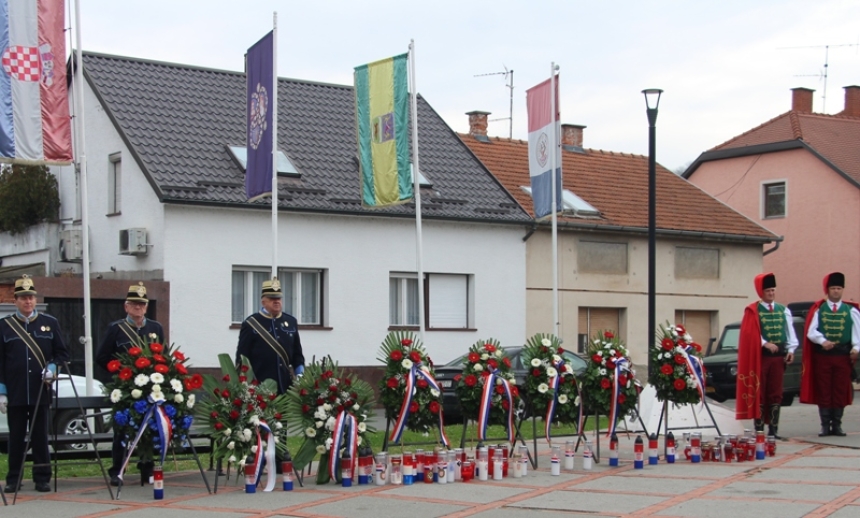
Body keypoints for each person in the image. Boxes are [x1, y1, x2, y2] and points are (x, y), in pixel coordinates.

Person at [0, 275, 70, 493]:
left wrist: (52, 369)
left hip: (41, 390)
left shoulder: (50, 324)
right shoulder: (5, 326)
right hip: (16, 390)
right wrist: (2, 391)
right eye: (23, 298)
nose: (27, 302)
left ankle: (42, 477)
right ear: (15, 301)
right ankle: (14, 478)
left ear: (35, 299)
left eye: (30, 297)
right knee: (16, 438)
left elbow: (62, 354)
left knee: (40, 437)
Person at [96, 282, 164, 486]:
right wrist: (120, 374)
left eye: (142, 304)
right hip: (125, 389)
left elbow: (161, 356)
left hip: (150, 388)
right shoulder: (116, 329)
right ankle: (117, 470)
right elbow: (102, 357)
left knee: (150, 428)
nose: (138, 308)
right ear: (126, 306)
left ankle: (147, 469)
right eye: (134, 304)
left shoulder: (155, 328)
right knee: (122, 429)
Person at [735, 273, 798, 439]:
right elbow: (749, 334)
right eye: (768, 291)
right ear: (761, 292)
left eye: (772, 290)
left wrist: (791, 350)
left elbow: (790, 332)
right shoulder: (753, 310)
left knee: (775, 392)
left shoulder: (783, 310)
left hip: (778, 359)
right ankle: (760, 430)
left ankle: (774, 430)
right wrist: (764, 343)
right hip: (760, 358)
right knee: (760, 392)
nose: (771, 293)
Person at [801, 272, 860, 436]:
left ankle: (837, 425)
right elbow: (811, 332)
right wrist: (822, 341)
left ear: (842, 290)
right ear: (827, 290)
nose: (836, 291)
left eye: (839, 288)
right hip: (823, 357)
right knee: (824, 389)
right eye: (833, 288)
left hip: (842, 356)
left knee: (839, 390)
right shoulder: (819, 310)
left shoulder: (851, 310)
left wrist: (856, 347)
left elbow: (858, 332)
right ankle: (825, 425)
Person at [236, 277, 305, 395]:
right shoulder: (251, 323)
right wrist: (247, 385)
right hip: (260, 387)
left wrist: (300, 375)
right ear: (263, 302)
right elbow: (242, 358)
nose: (276, 301)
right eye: (272, 298)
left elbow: (297, 354)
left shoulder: (291, 322)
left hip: (286, 387)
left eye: (278, 298)